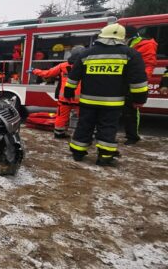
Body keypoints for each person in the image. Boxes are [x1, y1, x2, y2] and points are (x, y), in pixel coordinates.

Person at [64, 23, 148, 166]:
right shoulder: (130, 54)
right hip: (112, 103)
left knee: (84, 125)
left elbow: (73, 76)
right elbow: (138, 81)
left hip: (88, 101)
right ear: (122, 38)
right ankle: (105, 156)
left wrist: (69, 91)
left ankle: (78, 152)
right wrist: (139, 99)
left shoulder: (86, 54)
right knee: (108, 127)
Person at [30, 45, 86, 139]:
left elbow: (47, 73)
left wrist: (34, 71)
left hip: (64, 97)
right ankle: (82, 136)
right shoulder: (86, 66)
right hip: (81, 99)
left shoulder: (63, 66)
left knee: (61, 117)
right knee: (84, 118)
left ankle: (59, 133)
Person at [121, 26, 157, 145]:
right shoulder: (125, 46)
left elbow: (148, 65)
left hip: (134, 82)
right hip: (121, 81)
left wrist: (140, 80)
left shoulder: (146, 45)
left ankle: (132, 136)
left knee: (131, 110)